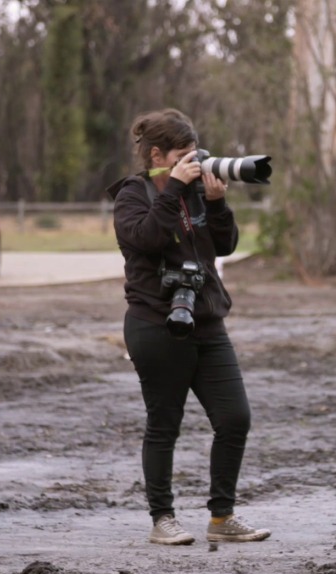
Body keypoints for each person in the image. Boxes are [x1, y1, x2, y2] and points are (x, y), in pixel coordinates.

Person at [106, 108, 270, 545]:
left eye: (194, 154)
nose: (193, 163)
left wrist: (216, 204)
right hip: (155, 323)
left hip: (206, 319)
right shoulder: (132, 195)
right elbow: (147, 238)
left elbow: (225, 245)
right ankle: (163, 519)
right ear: (157, 155)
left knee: (235, 418)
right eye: (182, 156)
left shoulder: (196, 191)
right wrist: (175, 187)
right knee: (164, 424)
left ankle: (222, 517)